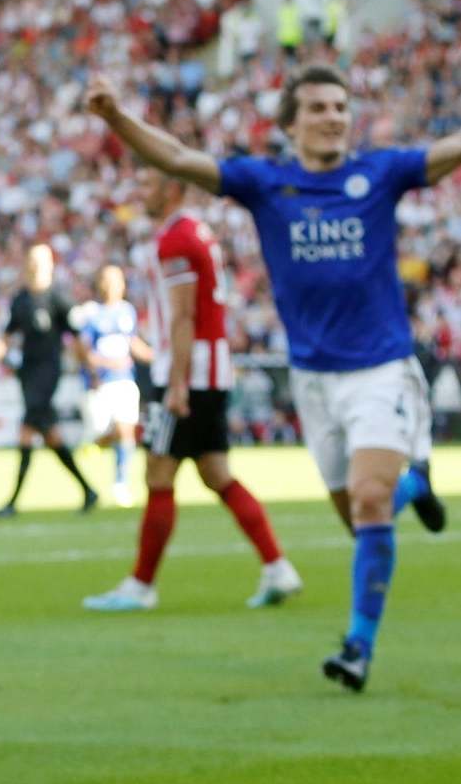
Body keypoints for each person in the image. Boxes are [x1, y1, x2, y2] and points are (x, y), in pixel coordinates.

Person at [87, 67, 455, 687]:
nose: (333, 116)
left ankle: (357, 648)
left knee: (367, 500)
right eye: (317, 107)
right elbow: (179, 159)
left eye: (340, 106)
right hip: (312, 381)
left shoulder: (381, 173)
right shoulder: (266, 183)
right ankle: (413, 485)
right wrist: (114, 117)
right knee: (360, 517)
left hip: (381, 369)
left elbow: (449, 152)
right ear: (290, 125)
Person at [82, 166, 300, 612]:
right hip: (209, 372)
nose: (138, 189)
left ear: (173, 188)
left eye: (146, 182)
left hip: (187, 376)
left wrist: (176, 384)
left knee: (158, 474)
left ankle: (140, 586)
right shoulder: (195, 232)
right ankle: (277, 567)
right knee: (215, 473)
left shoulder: (176, 240)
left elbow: (183, 318)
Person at [0, 244, 99, 516]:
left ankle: (13, 503)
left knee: (27, 430)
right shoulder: (21, 299)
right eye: (32, 260)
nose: (36, 265)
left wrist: (91, 370)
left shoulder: (59, 298)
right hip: (27, 371)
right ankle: (88, 490)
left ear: (50, 263)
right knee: (50, 435)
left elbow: (76, 338)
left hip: (48, 371)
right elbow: (8, 333)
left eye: (41, 260)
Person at [76, 263, 148, 505]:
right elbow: (83, 351)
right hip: (102, 383)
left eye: (116, 280)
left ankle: (120, 482)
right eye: (106, 280)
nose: (111, 286)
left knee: (126, 429)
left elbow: (133, 343)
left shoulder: (127, 311)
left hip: (125, 379)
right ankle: (94, 445)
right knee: (107, 432)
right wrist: (100, 367)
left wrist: (156, 356)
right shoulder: (92, 313)